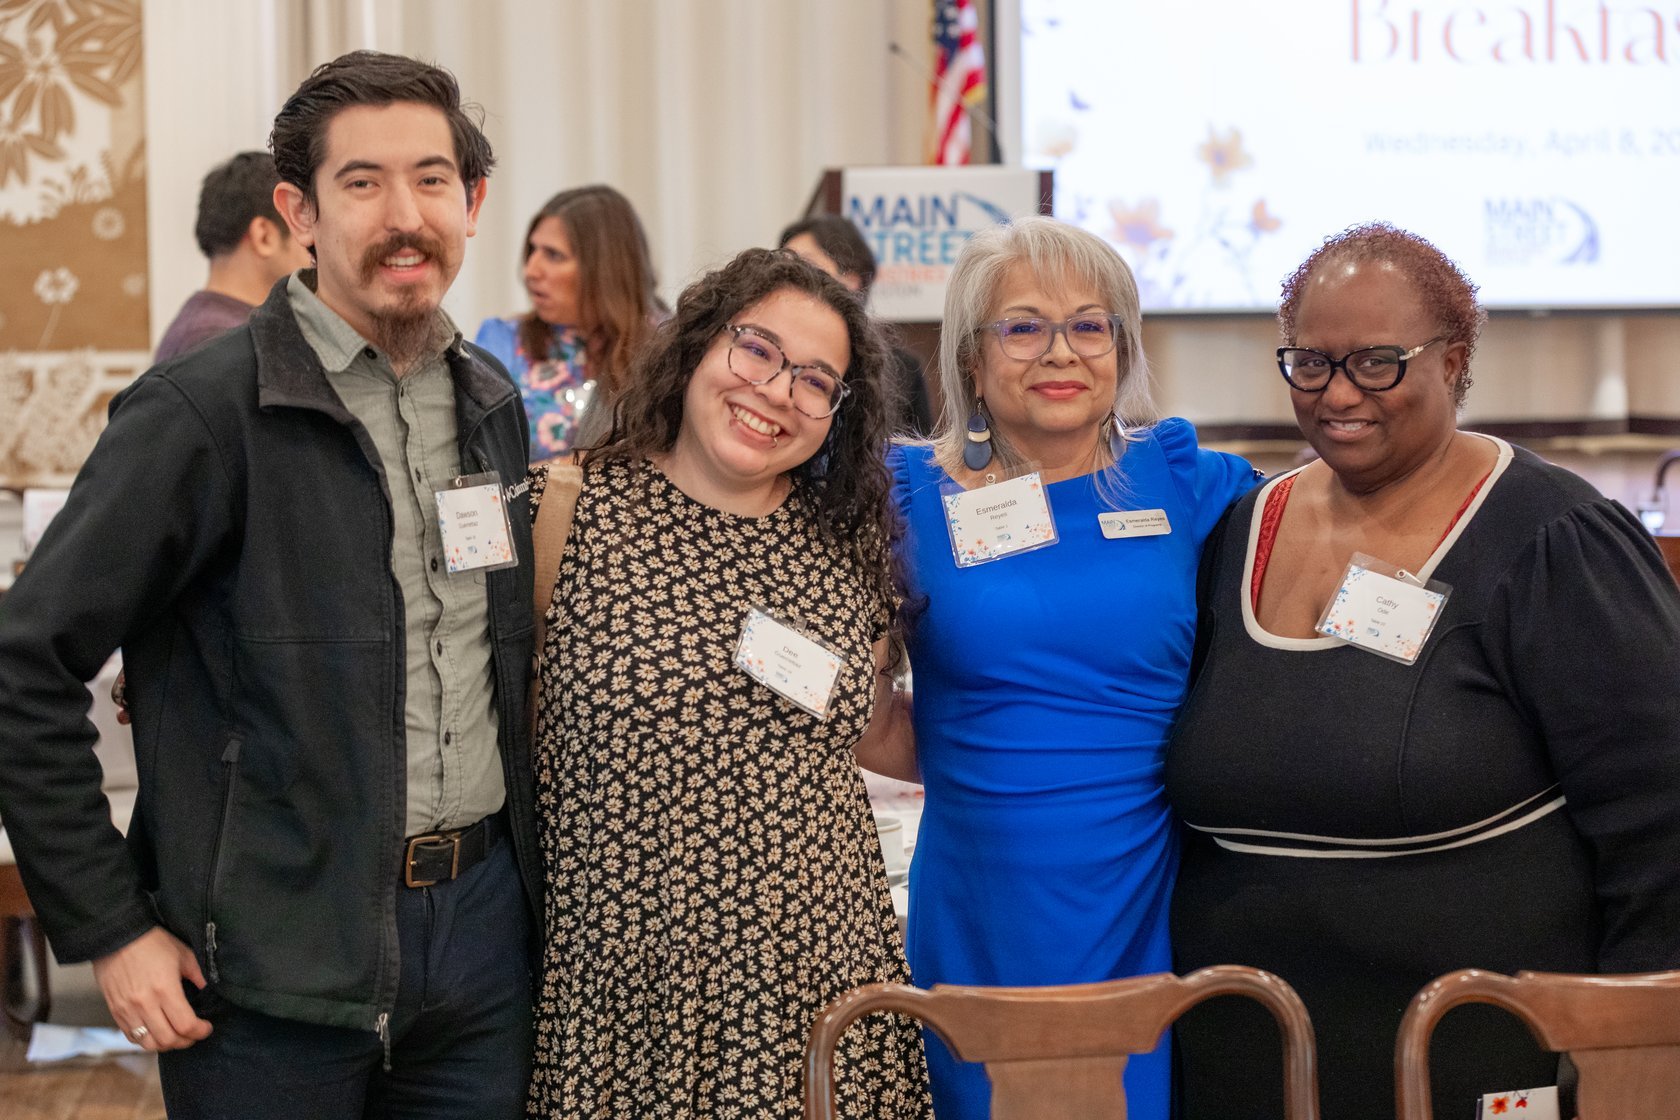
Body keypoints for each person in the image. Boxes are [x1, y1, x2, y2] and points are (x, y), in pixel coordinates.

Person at [0, 51, 542, 1119]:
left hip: (481, 959)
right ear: (299, 211)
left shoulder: (489, 403)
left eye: (432, 179)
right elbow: (24, 666)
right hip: (267, 967)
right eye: (363, 182)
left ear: (473, 203)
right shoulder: (201, 413)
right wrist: (109, 923)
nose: (405, 216)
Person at [1166, 223, 1680, 1120]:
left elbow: (1661, 817)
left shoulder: (1552, 537)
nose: (1339, 394)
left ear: (1454, 359)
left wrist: (1629, 1059)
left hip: (1476, 1056)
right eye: (1311, 363)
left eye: (1378, 363)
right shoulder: (1240, 531)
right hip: (1243, 1059)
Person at [525, 247, 930, 1119]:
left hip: (823, 995)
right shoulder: (563, 513)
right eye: (757, 350)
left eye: (816, 381)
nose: (778, 391)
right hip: (626, 1006)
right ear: (699, 345)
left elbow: (871, 727)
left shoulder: (847, 543)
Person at [884, 215, 1258, 1120]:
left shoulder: (1186, 479)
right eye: (1024, 326)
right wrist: (972, 760)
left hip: (1149, 896)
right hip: (982, 895)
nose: (1061, 351)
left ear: (1121, 349)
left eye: (1090, 325)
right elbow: (842, 687)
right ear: (971, 360)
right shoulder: (904, 495)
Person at [474, 184, 662, 458]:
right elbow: (481, 465)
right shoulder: (501, 344)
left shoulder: (665, 350)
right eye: (532, 250)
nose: (531, 270)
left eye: (553, 255)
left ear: (605, 268)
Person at [780, 213, 934, 435]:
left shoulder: (902, 371)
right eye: (783, 267)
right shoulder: (770, 351)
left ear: (851, 281)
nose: (788, 279)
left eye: (804, 265)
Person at [154, 151, 314, 362]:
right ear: (264, 236)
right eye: (302, 225)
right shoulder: (214, 341)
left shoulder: (217, 330)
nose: (315, 243)